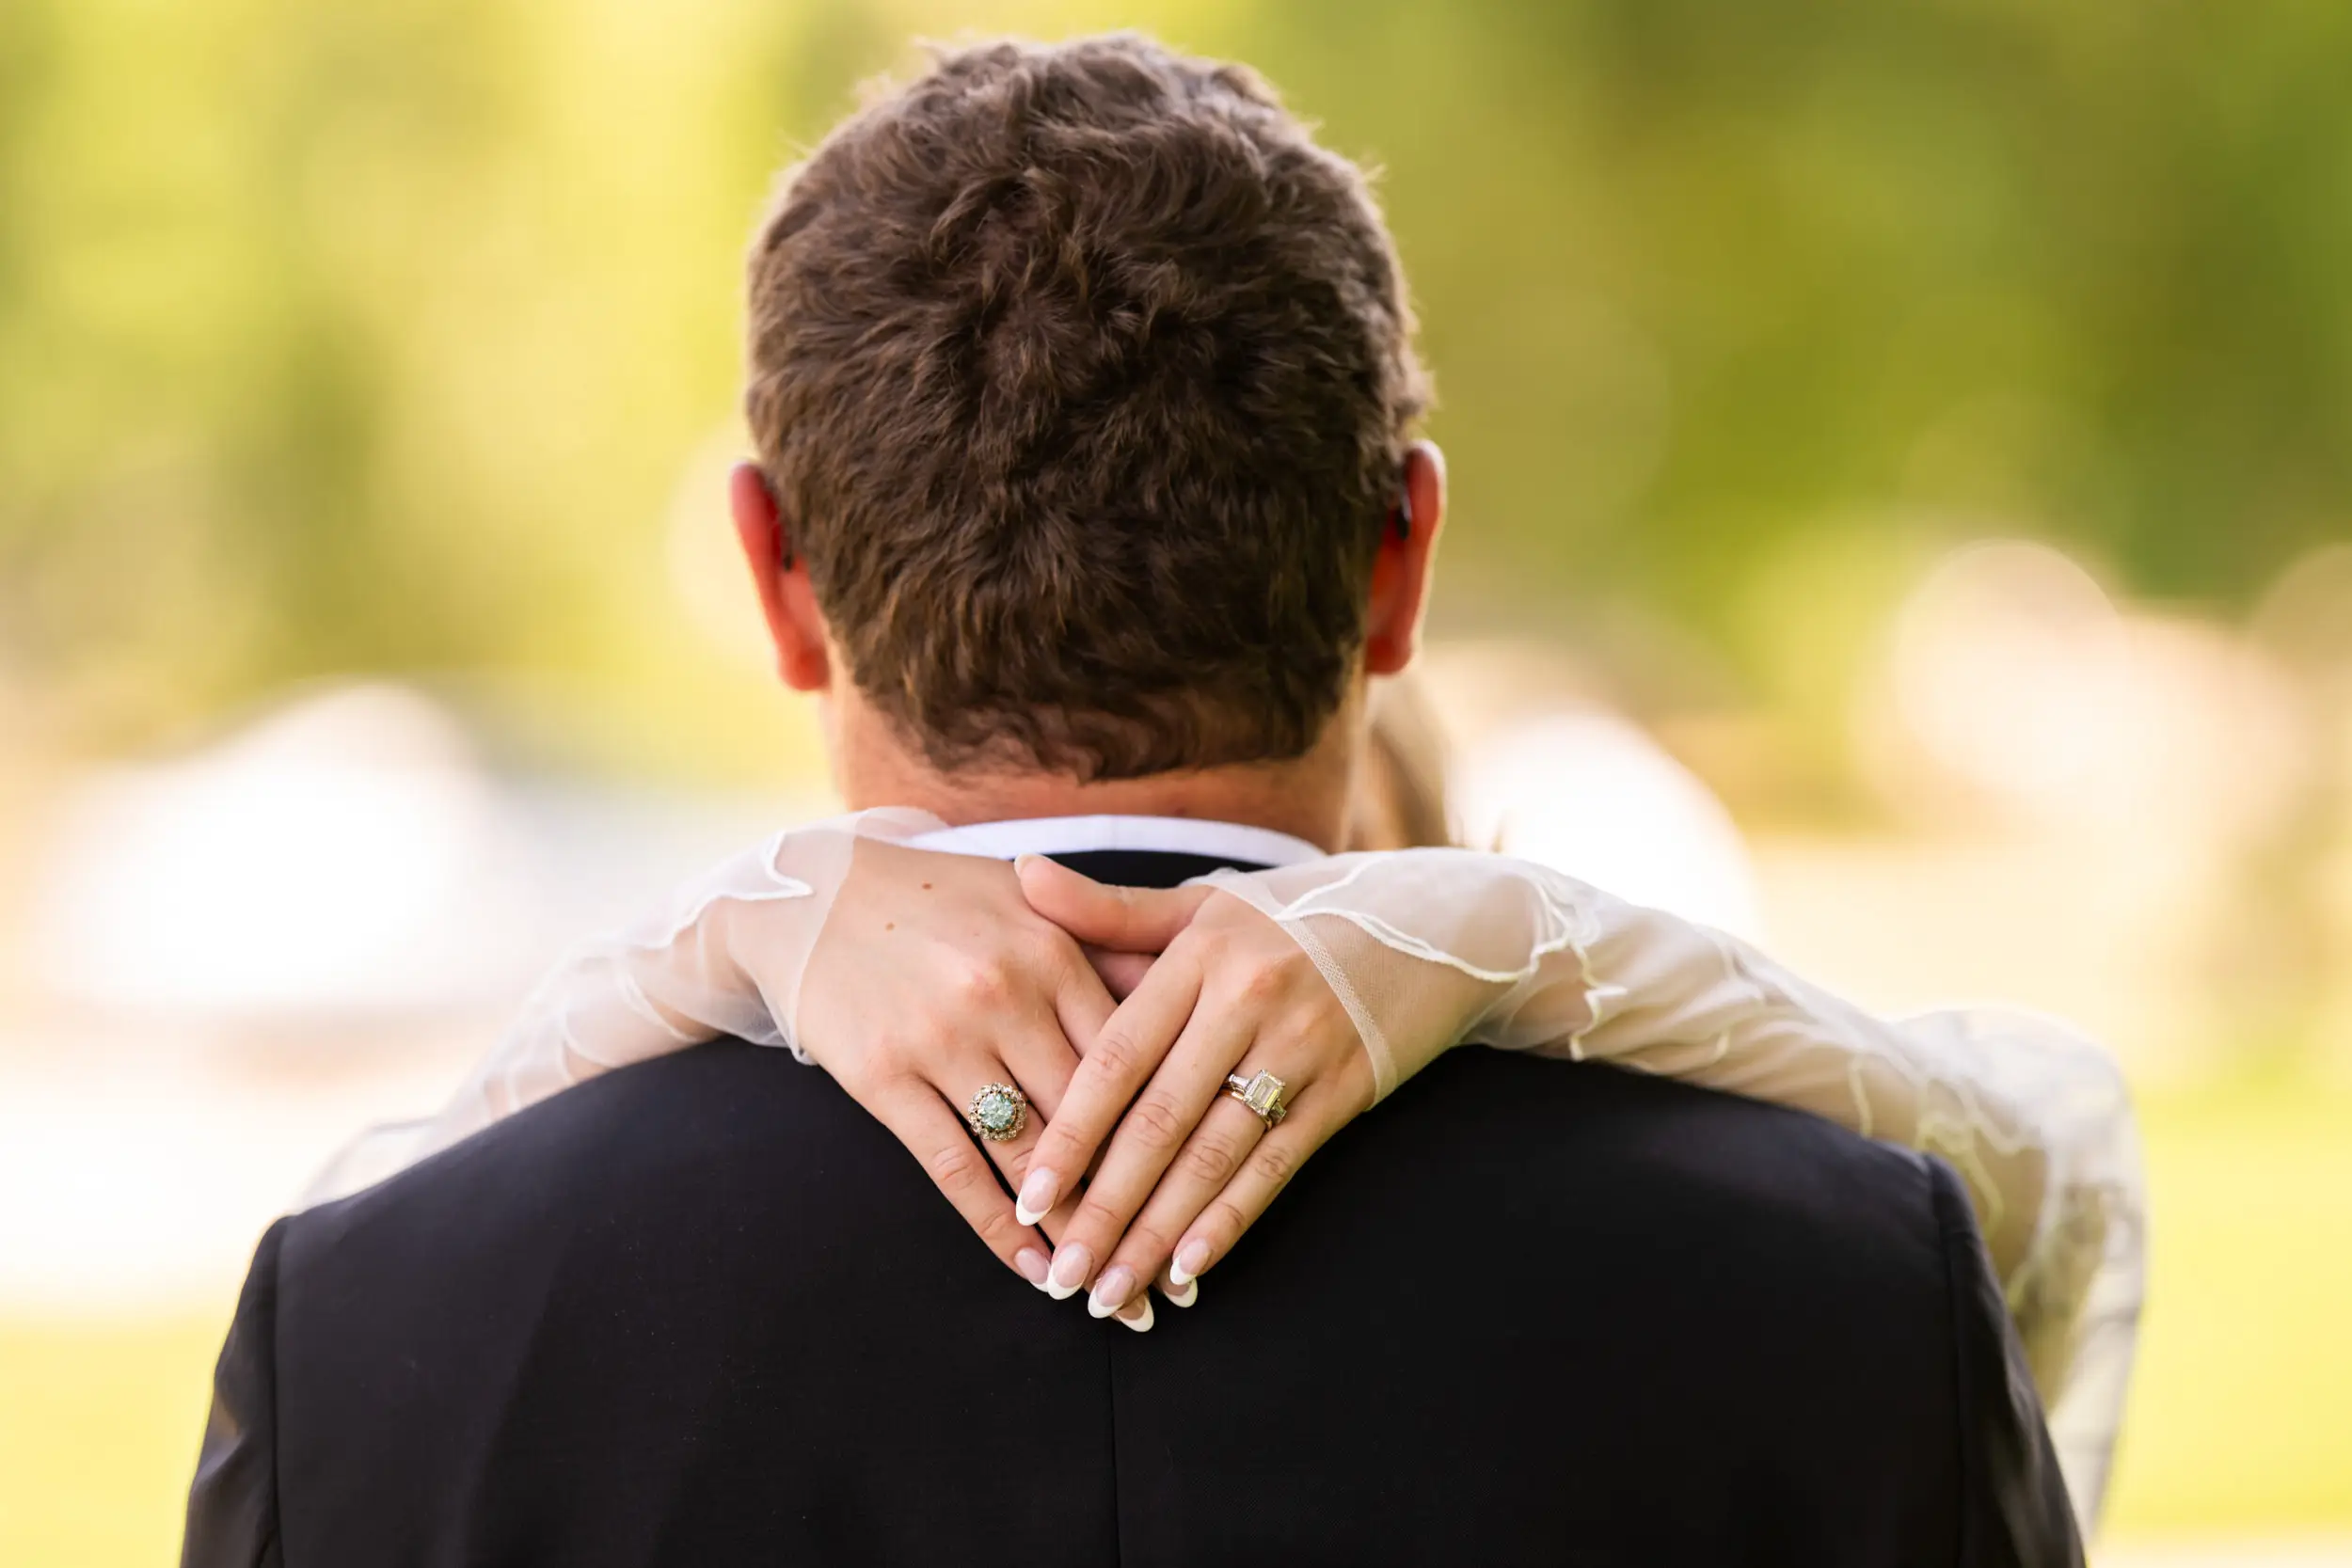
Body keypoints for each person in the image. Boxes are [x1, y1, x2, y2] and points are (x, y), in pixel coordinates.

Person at [184, 34, 2092, 1567]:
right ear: (1398, 560)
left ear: (771, 575)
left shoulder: (376, 1334)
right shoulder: (1846, 1289)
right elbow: (2049, 1180)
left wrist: (714, 942)